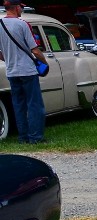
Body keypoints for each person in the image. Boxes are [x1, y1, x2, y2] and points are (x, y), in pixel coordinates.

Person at [0, 0, 47, 144]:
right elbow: (35, 49)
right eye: (21, 6)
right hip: (27, 70)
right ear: (15, 7)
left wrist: (8, 58)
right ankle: (36, 137)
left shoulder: (0, 24)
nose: (22, 9)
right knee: (34, 105)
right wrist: (44, 62)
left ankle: (23, 137)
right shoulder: (22, 24)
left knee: (19, 105)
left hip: (12, 71)